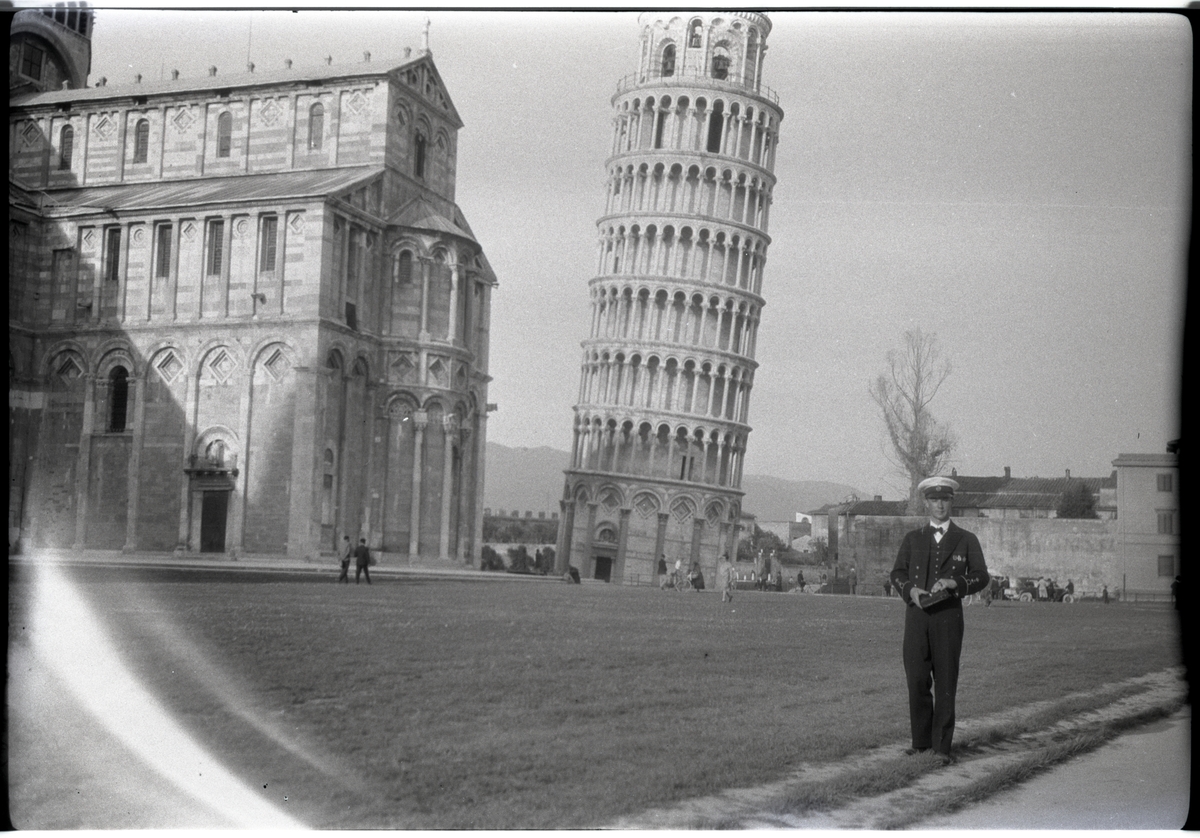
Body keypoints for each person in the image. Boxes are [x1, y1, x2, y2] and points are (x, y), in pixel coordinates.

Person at [890, 476, 989, 765]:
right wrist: (911, 591)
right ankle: (920, 744)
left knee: (945, 681)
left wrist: (954, 582)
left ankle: (942, 748)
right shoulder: (913, 539)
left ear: (952, 502)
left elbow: (982, 576)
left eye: (945, 499)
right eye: (934, 500)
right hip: (917, 617)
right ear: (926, 503)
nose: (939, 505)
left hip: (948, 619)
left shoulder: (966, 539)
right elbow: (897, 574)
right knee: (917, 679)